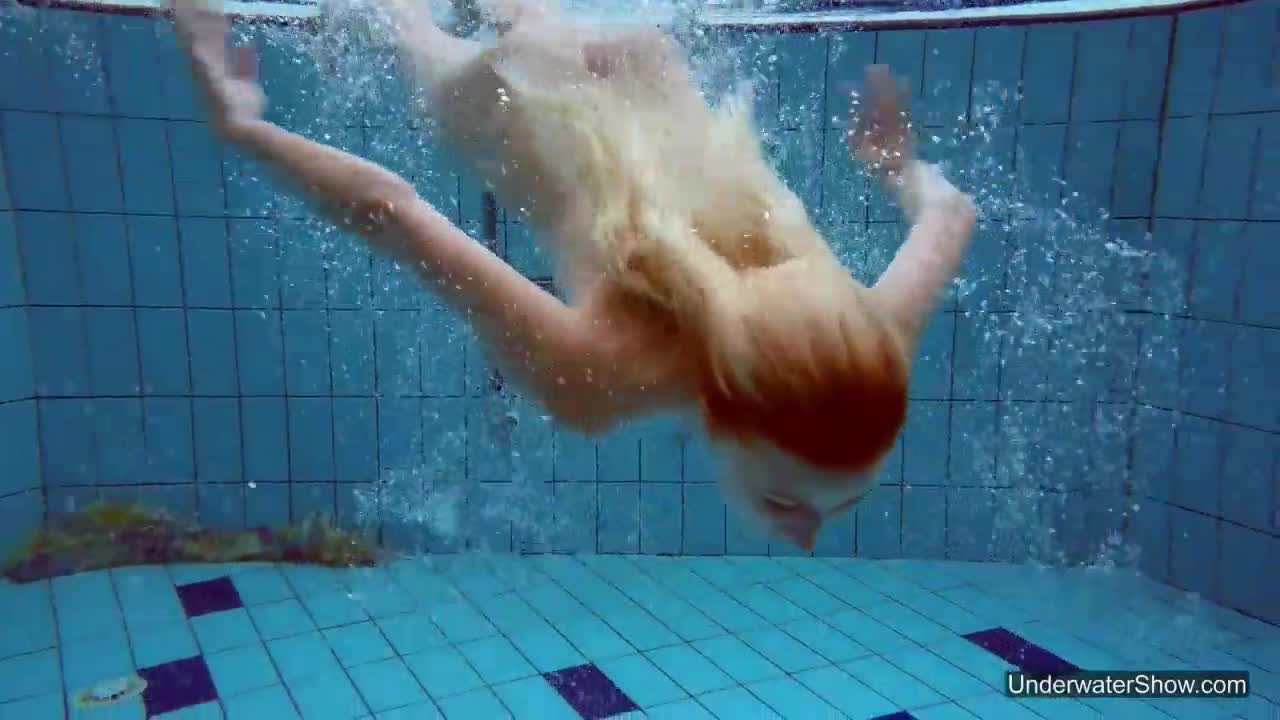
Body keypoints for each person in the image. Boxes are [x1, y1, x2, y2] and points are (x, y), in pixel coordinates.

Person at [171, 0, 976, 550]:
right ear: (725, 415)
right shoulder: (595, 377)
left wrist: (896, 168)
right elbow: (392, 212)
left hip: (634, 54)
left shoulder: (871, 344)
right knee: (399, 19)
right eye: (784, 504)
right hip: (509, 98)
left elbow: (950, 216)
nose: (806, 538)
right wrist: (245, 127)